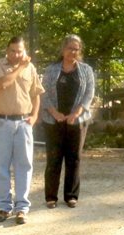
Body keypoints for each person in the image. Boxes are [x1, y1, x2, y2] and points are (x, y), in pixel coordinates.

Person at [0, 36, 44, 225]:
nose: (16, 54)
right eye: (13, 50)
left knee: (24, 166)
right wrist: (19, 67)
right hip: (1, 123)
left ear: (24, 50)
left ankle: (22, 208)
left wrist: (34, 116)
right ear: (7, 50)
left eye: (20, 51)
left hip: (23, 123)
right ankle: (4, 207)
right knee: (2, 166)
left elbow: (36, 94)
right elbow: (2, 84)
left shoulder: (31, 68)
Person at [40, 34, 96, 209]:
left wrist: (76, 113)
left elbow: (89, 93)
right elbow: (43, 93)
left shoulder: (86, 70)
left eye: (76, 49)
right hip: (53, 120)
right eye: (70, 48)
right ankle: (51, 197)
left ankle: (71, 196)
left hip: (77, 120)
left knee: (74, 158)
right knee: (54, 158)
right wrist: (55, 113)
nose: (73, 52)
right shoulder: (51, 70)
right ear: (63, 49)